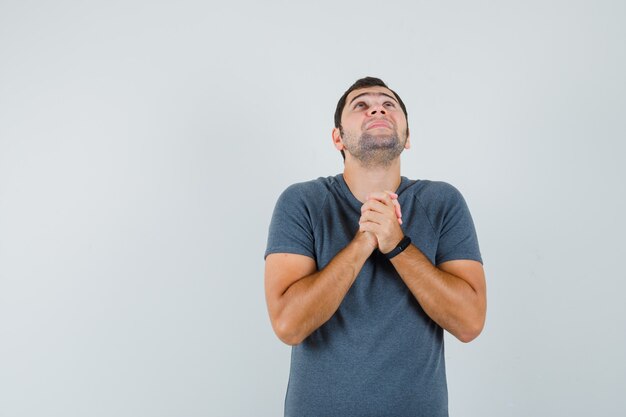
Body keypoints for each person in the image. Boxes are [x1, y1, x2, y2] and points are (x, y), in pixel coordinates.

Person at [264, 77, 486, 417]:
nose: (377, 108)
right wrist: (364, 240)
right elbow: (289, 325)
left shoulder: (442, 202)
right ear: (338, 138)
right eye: (361, 105)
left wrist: (397, 244)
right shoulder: (302, 202)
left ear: (407, 137)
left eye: (388, 104)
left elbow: (470, 322)